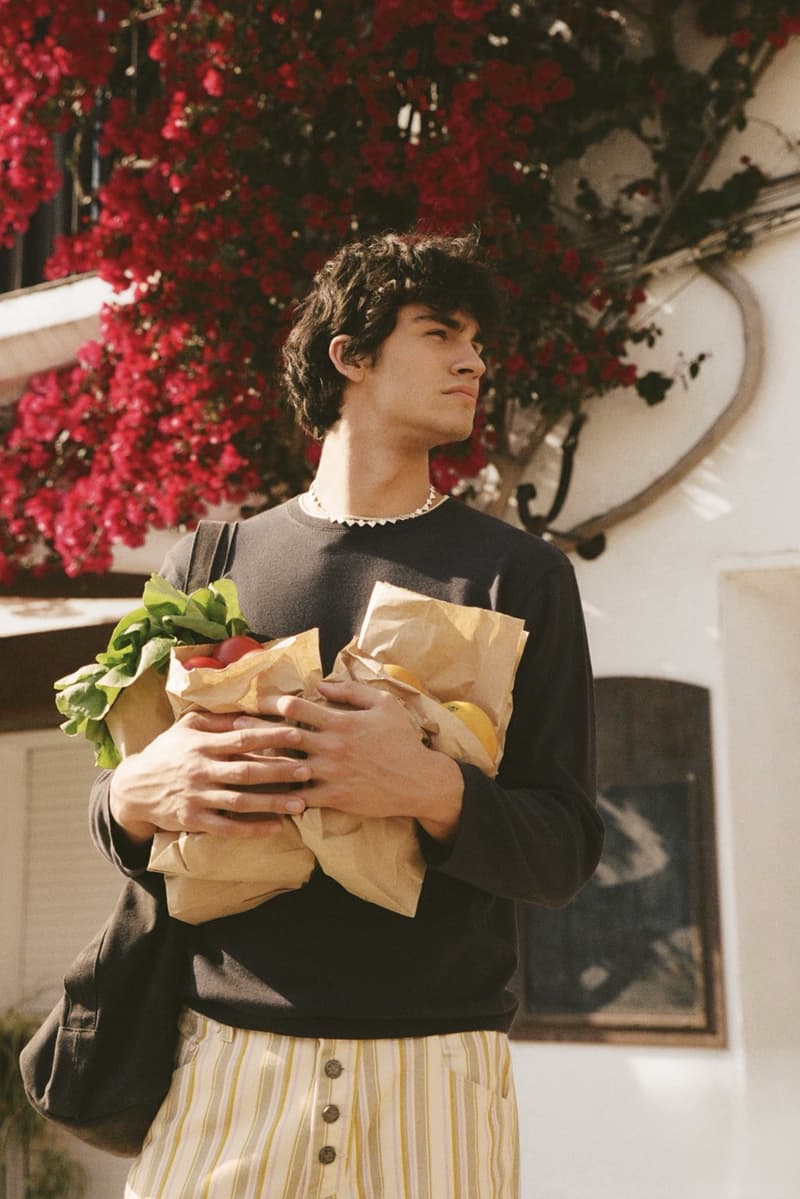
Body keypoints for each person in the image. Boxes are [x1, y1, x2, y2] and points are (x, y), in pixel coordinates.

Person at [90, 232, 603, 1199]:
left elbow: (567, 845)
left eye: (479, 342)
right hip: (224, 1069)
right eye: (441, 331)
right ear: (351, 355)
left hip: (437, 1078)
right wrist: (126, 794)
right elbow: (131, 816)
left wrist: (428, 787)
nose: (474, 361)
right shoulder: (207, 566)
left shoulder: (518, 575)